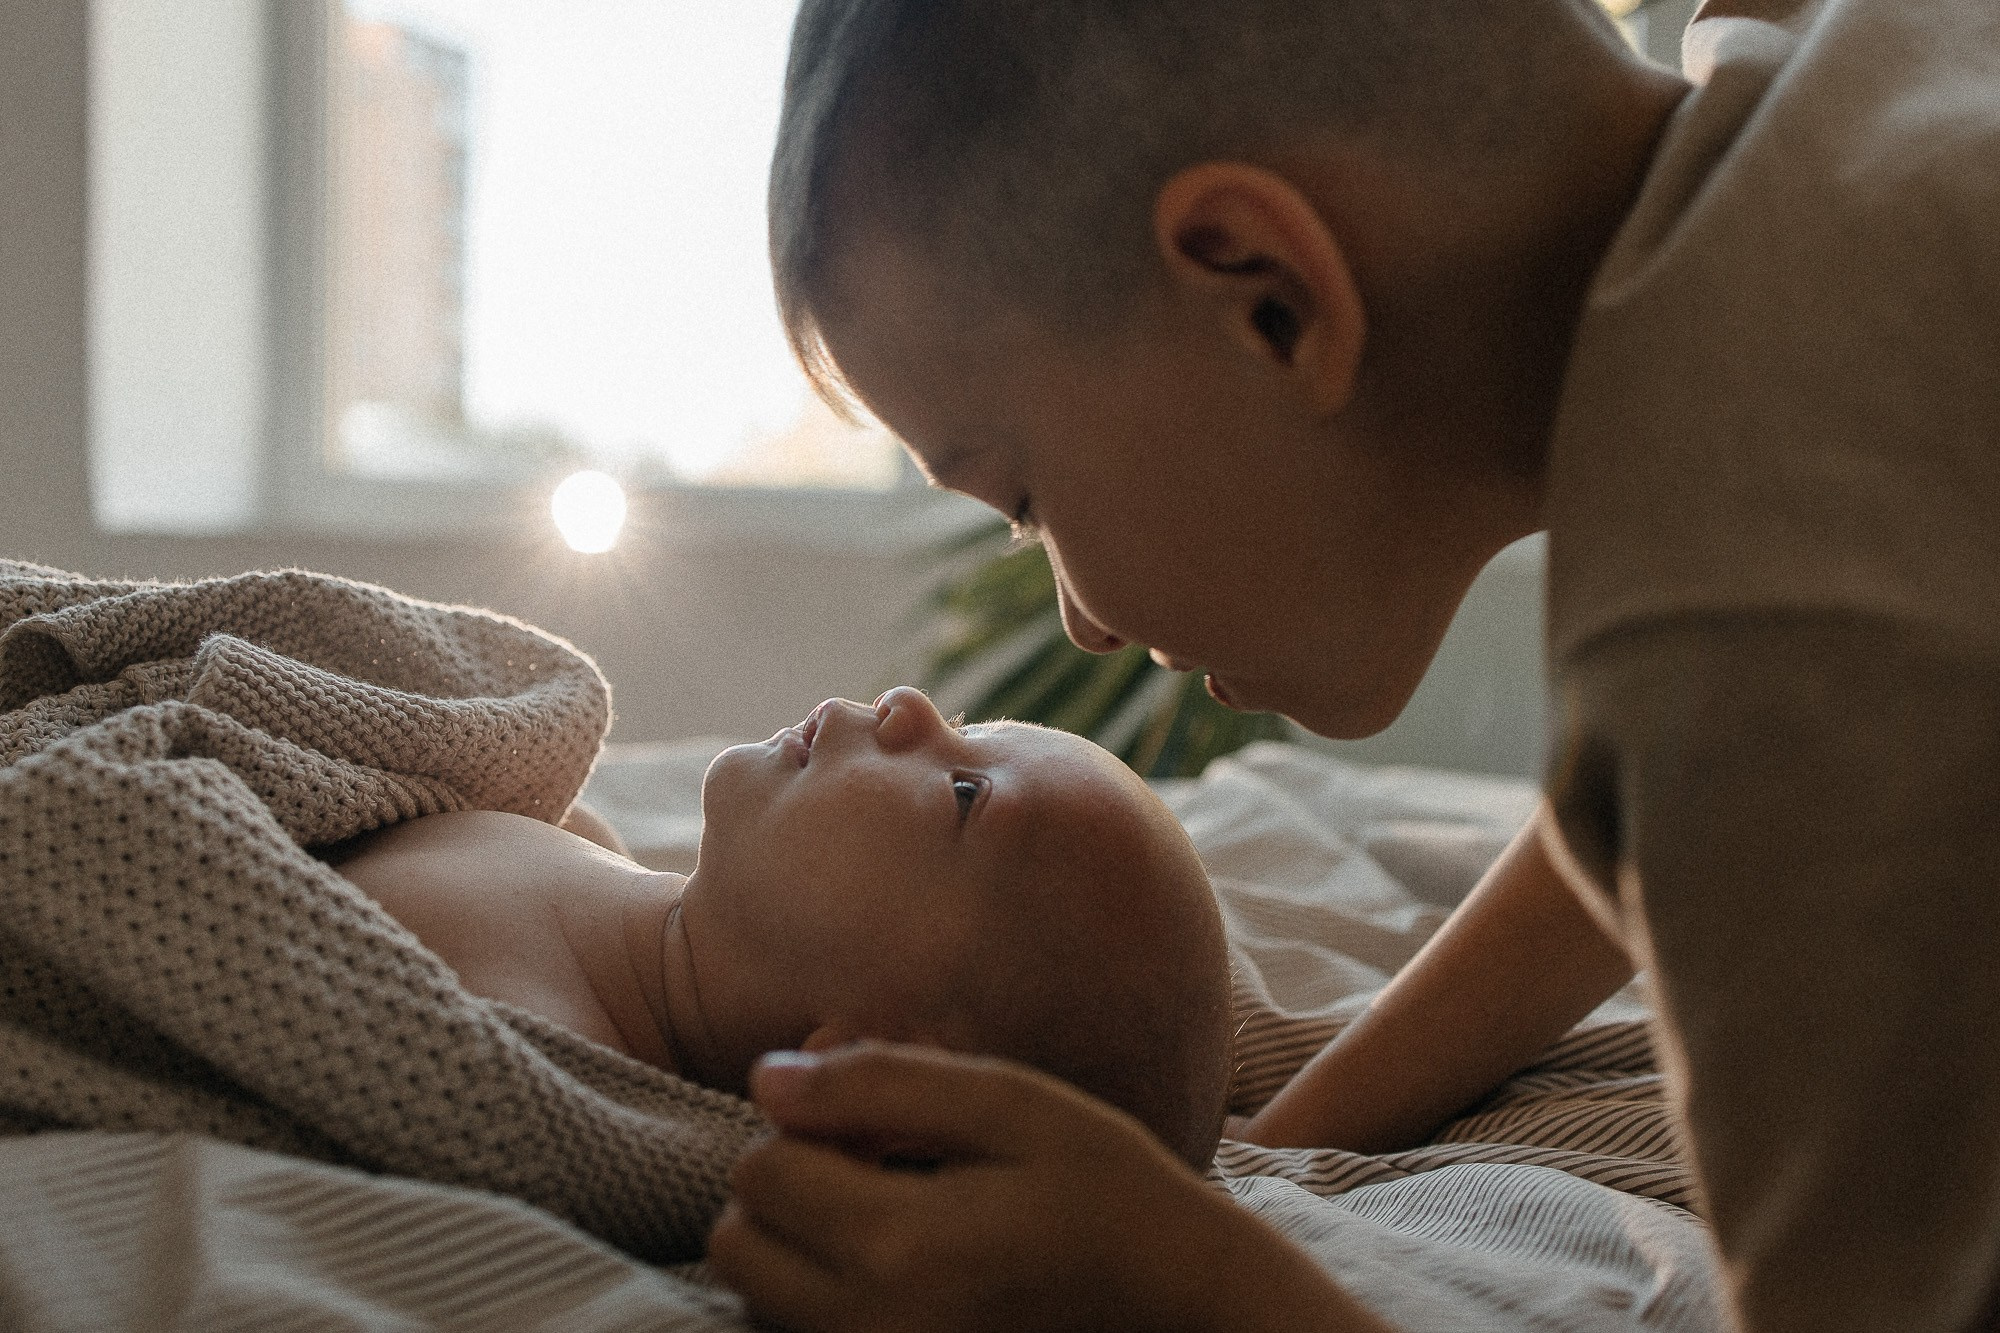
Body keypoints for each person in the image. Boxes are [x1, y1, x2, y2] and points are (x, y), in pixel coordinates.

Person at [705, 0, 2000, 1329]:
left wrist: (1197, 1284)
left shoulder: (1787, 624)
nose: (1082, 623)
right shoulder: (1846, 63)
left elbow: (1768, 717)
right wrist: (1299, 1128)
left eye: (1026, 497)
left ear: (1267, 297)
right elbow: (1661, 807)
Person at [336, 685, 1234, 1170]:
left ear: (866, 1066)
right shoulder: (582, 840)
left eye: (965, 791)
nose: (908, 705)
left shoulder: (521, 1064)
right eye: (966, 725)